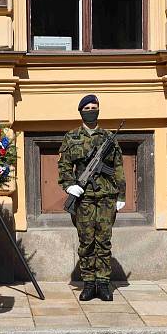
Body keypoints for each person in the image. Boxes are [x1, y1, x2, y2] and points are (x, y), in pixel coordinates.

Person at [58, 94, 126, 302]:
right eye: (86, 107)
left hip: (106, 196)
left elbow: (118, 167)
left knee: (103, 240)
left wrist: (120, 195)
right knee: (87, 241)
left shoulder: (108, 137)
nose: (91, 110)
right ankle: (88, 283)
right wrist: (70, 186)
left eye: (93, 107)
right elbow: (64, 165)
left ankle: (104, 283)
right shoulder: (71, 137)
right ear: (81, 111)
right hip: (83, 198)